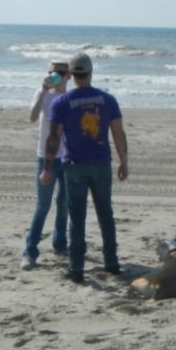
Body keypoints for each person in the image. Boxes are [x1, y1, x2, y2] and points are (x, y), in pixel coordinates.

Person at [41, 53, 129, 283]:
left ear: (71, 75)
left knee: (77, 217)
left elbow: (53, 138)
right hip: (100, 163)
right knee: (105, 213)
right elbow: (118, 133)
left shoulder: (62, 102)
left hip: (75, 165)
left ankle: (76, 268)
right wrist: (124, 162)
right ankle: (111, 263)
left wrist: (47, 167)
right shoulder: (107, 99)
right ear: (90, 73)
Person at [21, 60, 69, 270]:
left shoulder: (69, 98)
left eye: (61, 73)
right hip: (45, 157)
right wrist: (42, 90)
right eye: (53, 72)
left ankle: (60, 245)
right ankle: (30, 251)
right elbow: (32, 117)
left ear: (69, 76)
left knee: (64, 204)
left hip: (67, 157)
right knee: (43, 205)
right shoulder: (44, 95)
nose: (56, 76)